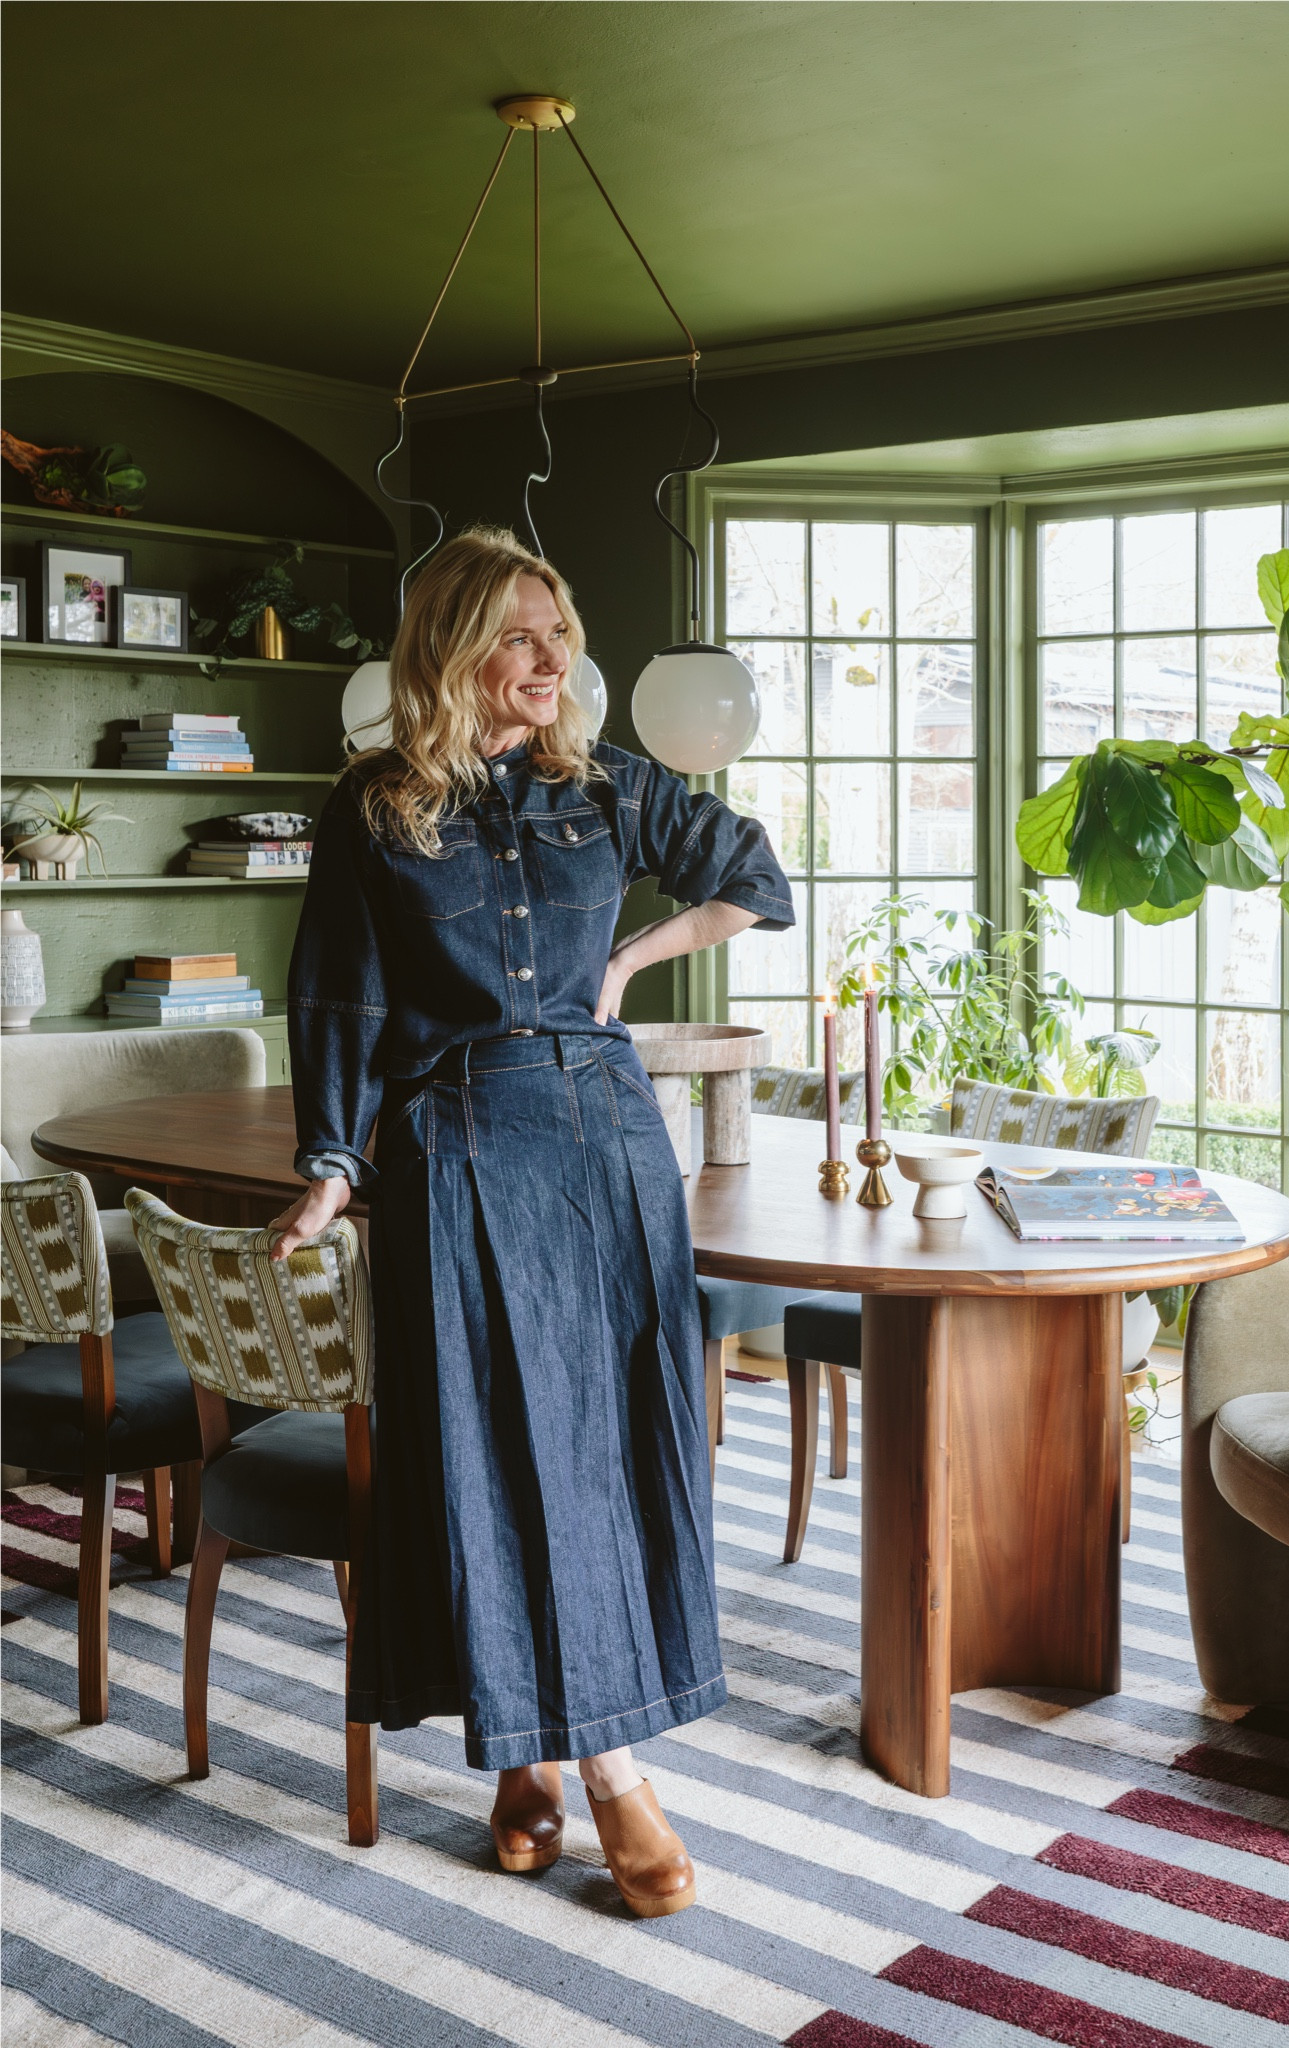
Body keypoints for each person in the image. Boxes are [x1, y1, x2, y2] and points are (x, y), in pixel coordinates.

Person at [270, 526, 793, 1917]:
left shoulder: (614, 790)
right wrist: (331, 1161)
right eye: (519, 634)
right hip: (457, 1145)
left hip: (608, 1148)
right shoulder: (374, 809)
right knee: (504, 1466)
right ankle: (609, 1773)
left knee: (609, 1458)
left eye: (560, 634)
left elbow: (758, 878)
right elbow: (335, 996)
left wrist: (634, 950)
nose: (551, 660)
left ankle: (535, 1767)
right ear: (452, 652)